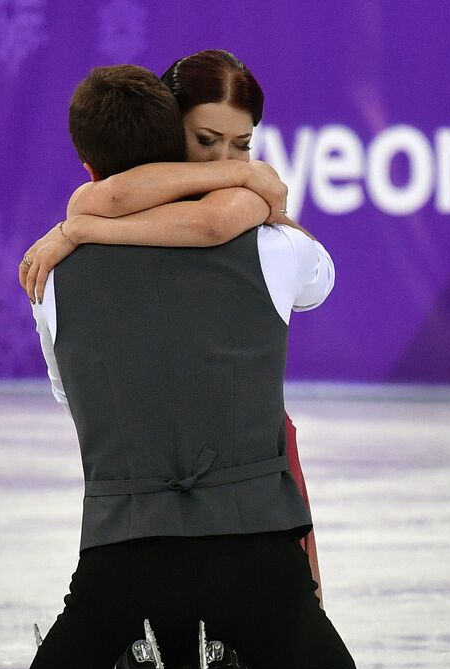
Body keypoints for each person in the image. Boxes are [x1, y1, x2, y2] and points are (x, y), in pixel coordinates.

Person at [16, 64, 363, 669]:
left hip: (128, 564)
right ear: (175, 148)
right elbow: (314, 274)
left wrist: (82, 231)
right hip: (257, 564)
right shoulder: (278, 251)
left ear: (89, 164)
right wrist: (257, 198)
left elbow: (77, 393)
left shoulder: (53, 281)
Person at [20, 49, 325, 604]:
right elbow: (107, 198)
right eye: (205, 141)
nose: (222, 160)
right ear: (166, 132)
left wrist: (79, 233)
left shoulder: (240, 200)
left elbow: (208, 223)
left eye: (241, 145)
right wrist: (78, 228)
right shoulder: (239, 192)